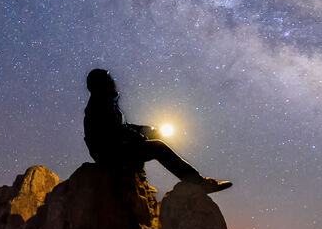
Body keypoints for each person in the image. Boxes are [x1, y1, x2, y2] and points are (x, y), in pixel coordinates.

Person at [83, 68, 232, 193]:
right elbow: (114, 131)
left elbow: (121, 126)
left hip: (110, 151)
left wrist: (144, 130)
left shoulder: (105, 103)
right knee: (158, 147)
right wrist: (140, 136)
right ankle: (198, 183)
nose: (113, 82)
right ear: (101, 84)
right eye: (109, 79)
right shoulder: (100, 105)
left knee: (146, 140)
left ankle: (140, 181)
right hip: (109, 154)